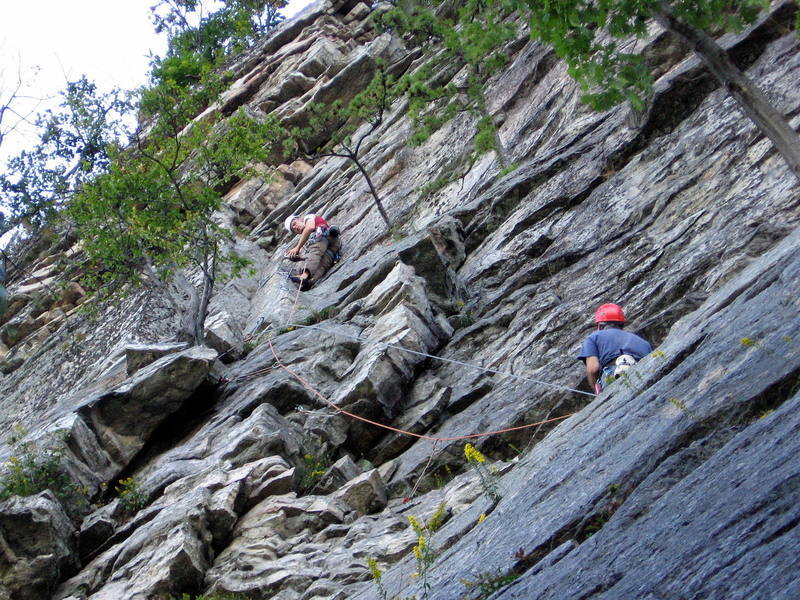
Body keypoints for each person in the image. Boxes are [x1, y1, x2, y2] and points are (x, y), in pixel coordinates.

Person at [577, 303, 653, 394]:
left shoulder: (593, 338)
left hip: (614, 372)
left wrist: (598, 392)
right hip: (644, 371)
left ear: (600, 326)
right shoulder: (643, 342)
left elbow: (593, 368)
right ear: (621, 324)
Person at [284, 213, 341, 291]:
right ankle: (310, 281)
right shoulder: (307, 237)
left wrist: (297, 247)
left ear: (300, 219)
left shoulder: (308, 218)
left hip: (322, 236)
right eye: (293, 229)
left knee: (315, 251)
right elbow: (314, 258)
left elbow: (310, 227)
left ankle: (304, 276)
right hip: (334, 245)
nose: (295, 227)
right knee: (323, 264)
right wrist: (299, 258)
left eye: (294, 224)